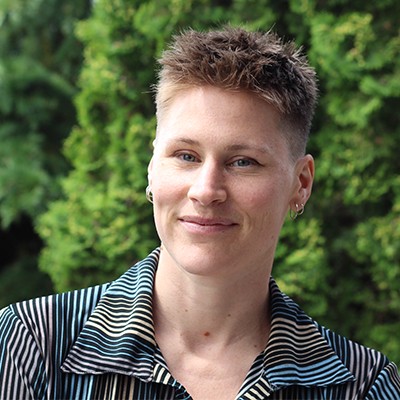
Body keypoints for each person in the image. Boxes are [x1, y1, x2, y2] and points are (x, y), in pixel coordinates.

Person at [0, 27, 399, 400]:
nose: (206, 191)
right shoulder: (29, 348)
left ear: (302, 183)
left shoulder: (361, 385)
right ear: (152, 167)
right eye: (186, 156)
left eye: (243, 162)